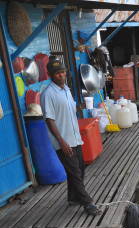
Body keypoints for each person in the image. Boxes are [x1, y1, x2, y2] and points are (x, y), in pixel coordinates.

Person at [41, 59, 100, 215]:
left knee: (79, 170)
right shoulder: (48, 94)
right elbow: (49, 119)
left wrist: (82, 106)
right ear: (51, 75)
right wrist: (62, 142)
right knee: (74, 172)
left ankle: (73, 198)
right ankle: (88, 204)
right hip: (63, 141)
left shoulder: (66, 89)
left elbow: (71, 108)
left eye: (63, 72)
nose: (61, 75)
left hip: (75, 138)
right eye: (57, 73)